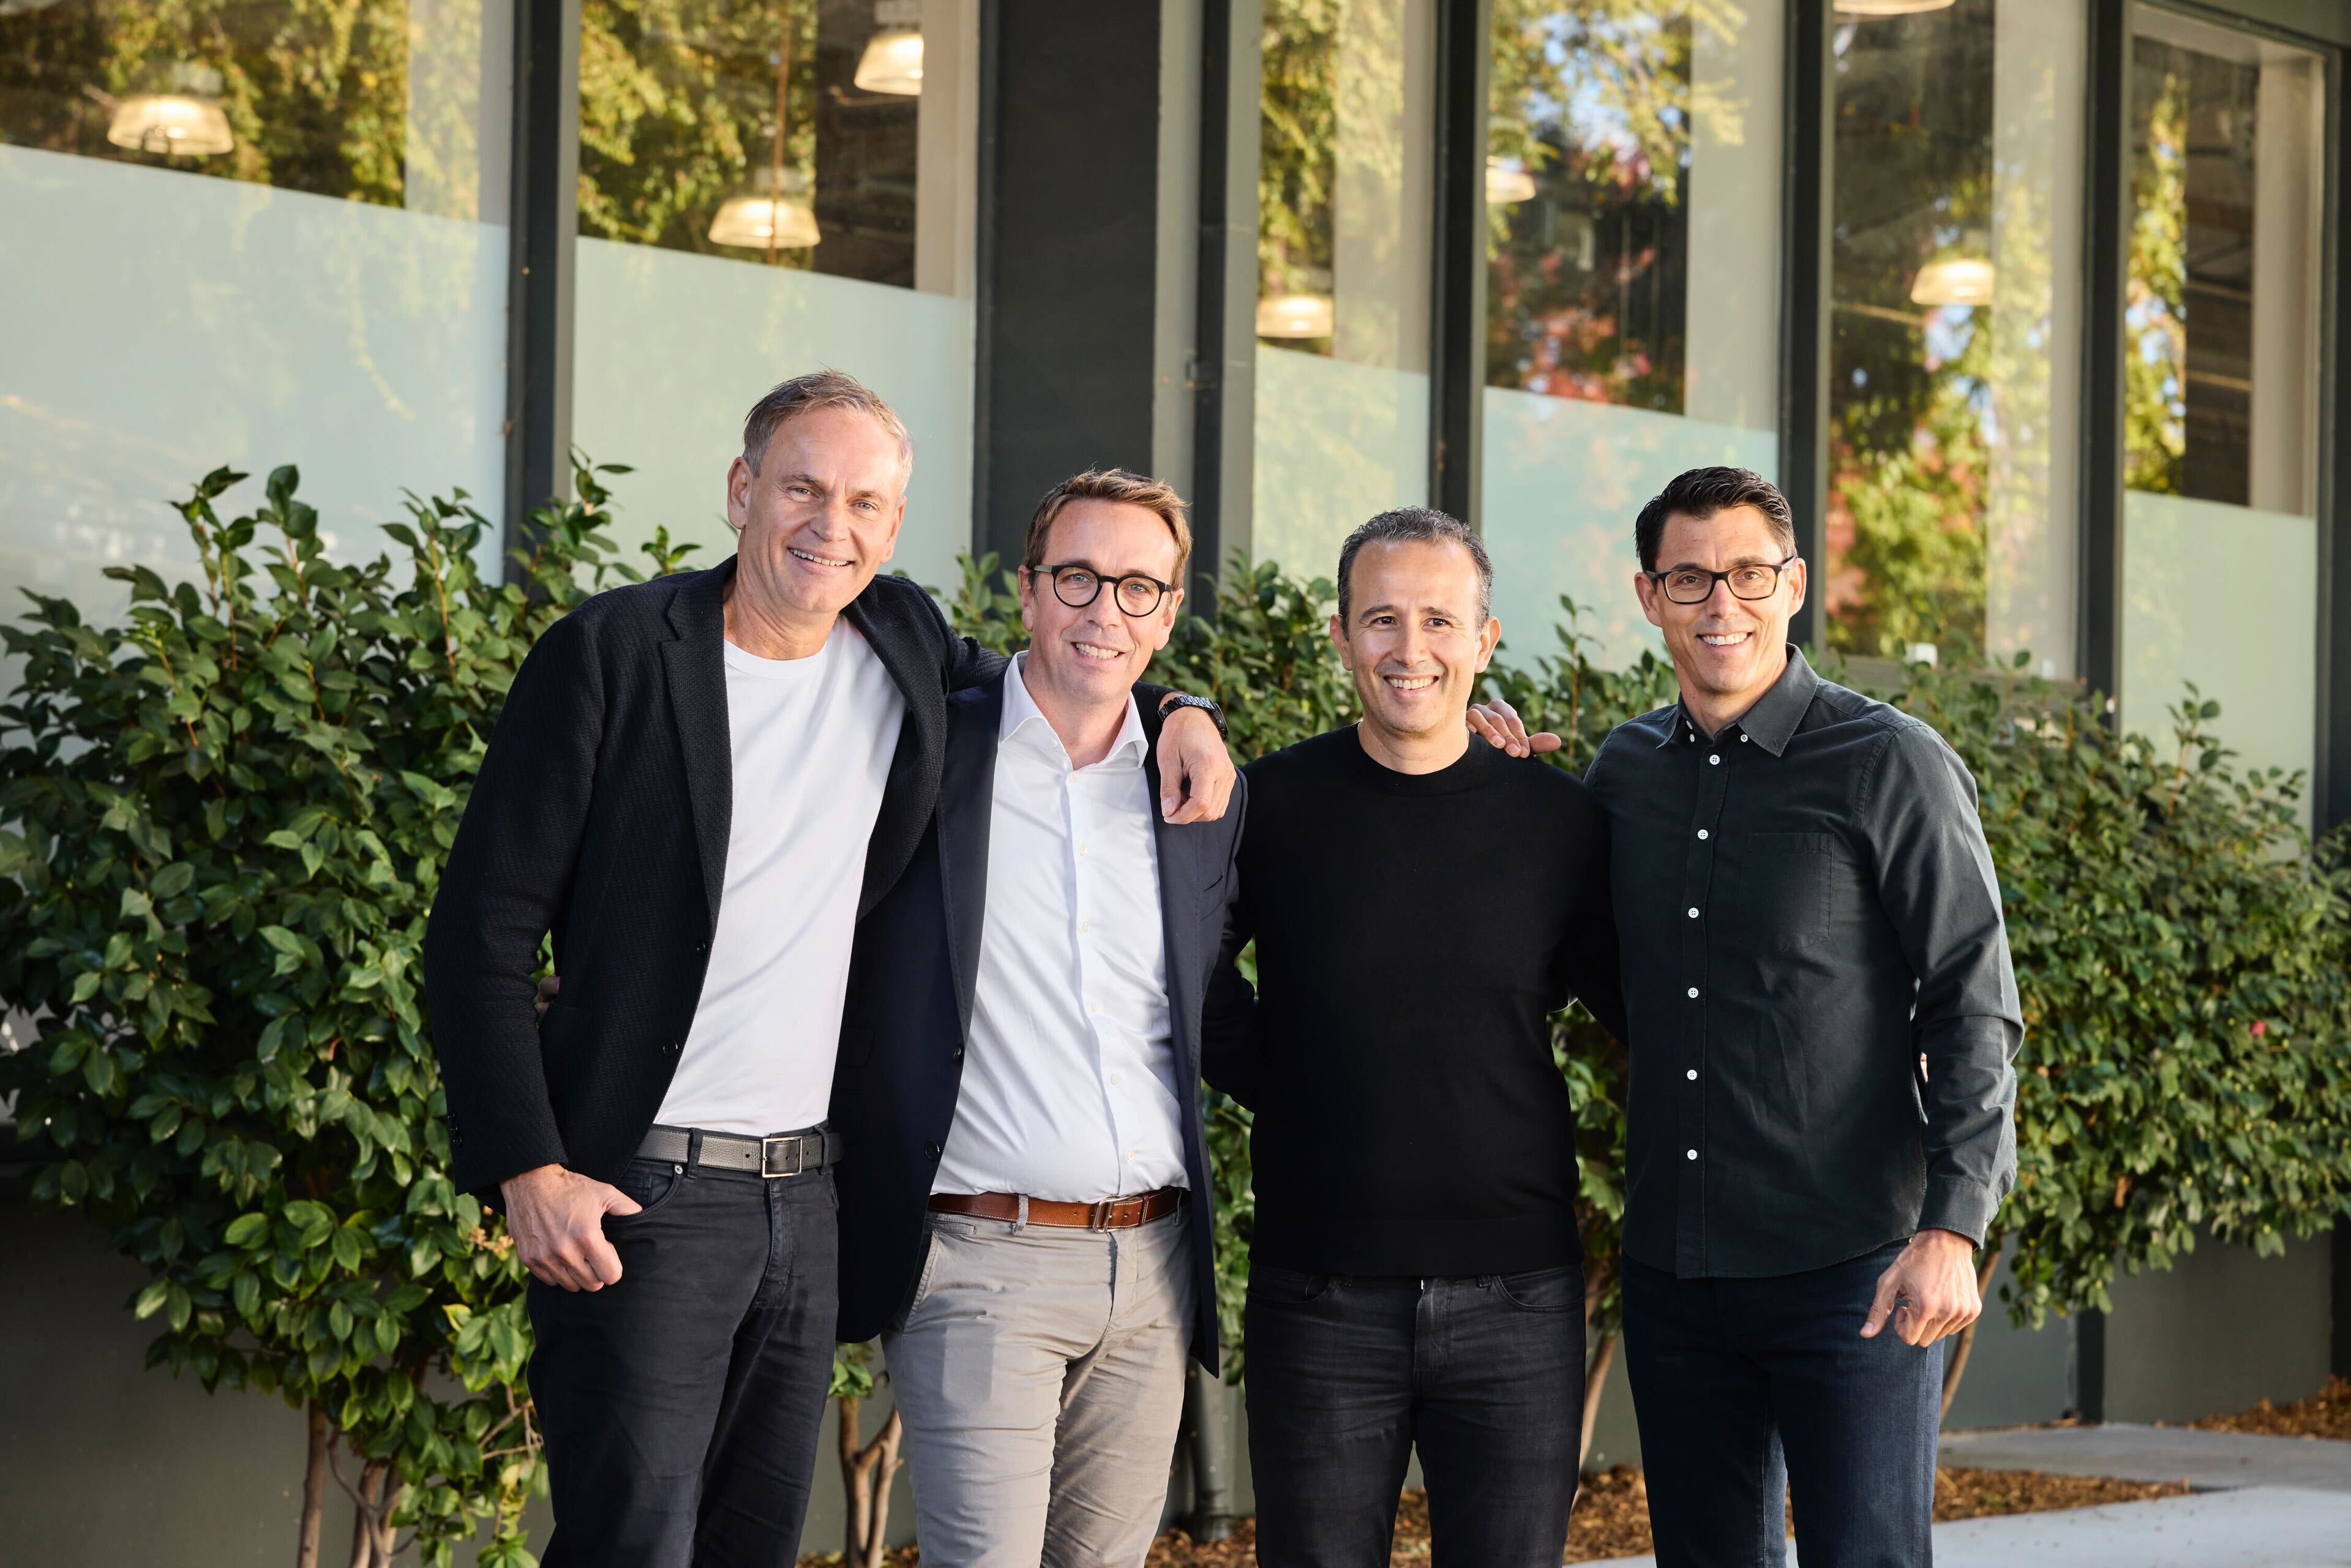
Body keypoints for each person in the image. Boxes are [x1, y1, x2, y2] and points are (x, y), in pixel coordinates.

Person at [421, 372, 1234, 1568]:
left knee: (753, 1543)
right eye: (802, 487)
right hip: (647, 1187)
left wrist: (1183, 705)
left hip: (810, 1201)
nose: (829, 524)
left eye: (864, 501)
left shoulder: (899, 645)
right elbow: (479, 931)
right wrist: (528, 1167)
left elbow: (1072, 666)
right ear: (744, 490)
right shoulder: (612, 655)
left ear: (893, 527)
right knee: (631, 1541)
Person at [1485, 465, 2021, 1566]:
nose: (1719, 603)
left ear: (1795, 585)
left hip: (1856, 1268)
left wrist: (1953, 1225)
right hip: (1680, 1272)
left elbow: (1973, 995)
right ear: (1650, 596)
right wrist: (1495, 791)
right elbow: (1599, 972)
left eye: (1747, 573)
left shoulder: (1889, 761)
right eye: (1690, 577)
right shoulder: (1624, 770)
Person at [830, 468, 1243, 1568]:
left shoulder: (1193, 789)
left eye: (1139, 588)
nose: (1105, 610)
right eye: (1077, 577)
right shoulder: (928, 748)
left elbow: (1216, 993)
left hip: (1154, 1265)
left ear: (1168, 614)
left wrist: (1184, 707)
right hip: (981, 1259)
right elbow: (859, 590)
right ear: (1025, 589)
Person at [1201, 506, 1627, 1568]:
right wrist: (1293, 1083)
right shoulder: (1271, 804)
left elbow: (1650, 1011)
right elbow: (1187, 975)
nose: (1411, 647)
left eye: (1441, 619)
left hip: (1519, 1300)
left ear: (1485, 641)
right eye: (1382, 618)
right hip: (1321, 1294)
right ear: (1341, 638)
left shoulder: (1557, 820)